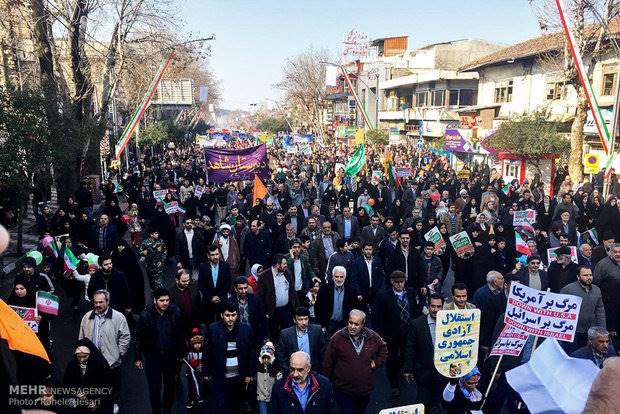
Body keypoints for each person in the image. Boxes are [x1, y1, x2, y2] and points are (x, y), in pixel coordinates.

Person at [323, 310, 388, 414]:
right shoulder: (337, 338)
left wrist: (377, 363)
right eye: (350, 322)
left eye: (356, 324)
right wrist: (328, 383)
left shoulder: (372, 336)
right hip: (343, 390)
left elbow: (383, 349)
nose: (352, 326)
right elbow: (328, 362)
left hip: (364, 390)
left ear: (363, 325)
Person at [134, 288, 186, 414]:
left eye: (167, 300)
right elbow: (138, 337)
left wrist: (182, 353)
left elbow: (180, 334)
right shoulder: (146, 315)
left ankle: (167, 409)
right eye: (161, 300)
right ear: (155, 301)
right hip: (153, 356)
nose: (165, 303)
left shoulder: (175, 312)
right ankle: (156, 411)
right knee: (154, 387)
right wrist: (137, 357)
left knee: (169, 386)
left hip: (170, 355)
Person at [78, 289, 130, 412]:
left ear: (107, 301)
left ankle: (113, 403)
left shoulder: (118, 317)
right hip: (92, 360)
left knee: (113, 384)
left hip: (112, 361)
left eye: (101, 302)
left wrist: (119, 354)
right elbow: (81, 336)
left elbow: (125, 337)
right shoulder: (87, 317)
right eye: (95, 302)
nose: (98, 305)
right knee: (94, 383)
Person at [203, 300, 255, 414]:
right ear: (222, 315)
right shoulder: (213, 330)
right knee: (222, 407)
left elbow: (251, 353)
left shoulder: (245, 330)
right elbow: (207, 352)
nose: (230, 318)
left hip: (239, 377)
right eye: (227, 315)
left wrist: (250, 374)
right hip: (220, 376)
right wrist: (206, 373)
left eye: (233, 315)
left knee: (237, 406)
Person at [372, 270, 420, 395]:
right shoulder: (384, 296)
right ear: (392, 282)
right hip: (391, 333)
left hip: (408, 331)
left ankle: (402, 370)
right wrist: (380, 335)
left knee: (406, 354)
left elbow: (414, 310)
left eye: (401, 282)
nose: (399, 285)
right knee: (391, 358)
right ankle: (393, 383)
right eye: (396, 282)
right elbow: (378, 318)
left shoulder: (410, 292)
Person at [402, 294, 447, 411]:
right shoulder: (416, 324)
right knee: (423, 403)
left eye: (439, 306)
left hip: (443, 372)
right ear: (428, 305)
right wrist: (408, 368)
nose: (435, 310)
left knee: (438, 401)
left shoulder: (449, 325)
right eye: (433, 306)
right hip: (423, 371)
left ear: (443, 307)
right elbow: (410, 348)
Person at [269, 351, 338, 414]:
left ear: (308, 368)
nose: (295, 374)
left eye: (300, 370)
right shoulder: (279, 387)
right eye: (292, 369)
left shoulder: (324, 384)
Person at [560, 266, 606, 353]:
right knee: (573, 355)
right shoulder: (568, 289)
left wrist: (602, 330)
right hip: (573, 331)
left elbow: (600, 311)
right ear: (578, 277)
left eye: (590, 275)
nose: (589, 277)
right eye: (585, 275)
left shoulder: (596, 290)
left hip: (590, 331)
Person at [62, 338, 114, 414]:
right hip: (79, 405)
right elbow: (66, 385)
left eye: (85, 356)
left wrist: (97, 403)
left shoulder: (101, 365)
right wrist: (75, 393)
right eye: (79, 357)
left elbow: (108, 389)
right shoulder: (72, 365)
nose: (82, 360)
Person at [258, 254, 300, 342]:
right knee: (274, 334)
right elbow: (261, 297)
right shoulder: (264, 276)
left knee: (288, 333)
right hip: (272, 311)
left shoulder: (287, 273)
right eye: (284, 264)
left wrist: (296, 308)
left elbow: (293, 292)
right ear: (277, 265)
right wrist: (265, 312)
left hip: (286, 309)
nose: (286, 265)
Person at [276, 307, 325, 373]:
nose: (304, 322)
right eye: (300, 319)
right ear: (294, 320)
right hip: (294, 373)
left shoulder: (317, 330)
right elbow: (281, 356)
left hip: (313, 372)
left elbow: (322, 353)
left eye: (306, 319)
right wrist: (290, 372)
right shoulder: (285, 334)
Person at [314, 266, 358, 338]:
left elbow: (355, 310)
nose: (339, 279)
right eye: (336, 276)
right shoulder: (324, 289)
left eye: (341, 277)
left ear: (345, 277)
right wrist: (321, 325)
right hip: (329, 324)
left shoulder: (352, 291)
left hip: (345, 325)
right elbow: (318, 308)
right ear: (332, 277)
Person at [473, 271, 506, 359]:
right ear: (495, 282)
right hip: (486, 339)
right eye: (502, 278)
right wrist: (484, 343)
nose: (503, 280)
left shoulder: (501, 292)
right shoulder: (481, 295)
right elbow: (482, 321)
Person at [198, 244, 232, 323]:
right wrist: (211, 298)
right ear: (208, 256)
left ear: (220, 254)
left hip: (222, 300)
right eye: (212, 255)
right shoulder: (203, 267)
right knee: (209, 323)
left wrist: (219, 296)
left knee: (223, 323)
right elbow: (201, 285)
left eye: (217, 254)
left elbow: (228, 283)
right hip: (208, 301)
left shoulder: (225, 266)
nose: (215, 257)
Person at [229, 276, 267, 344]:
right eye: (240, 288)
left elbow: (262, 319)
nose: (244, 291)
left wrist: (265, 337)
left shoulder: (256, 300)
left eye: (245, 288)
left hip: (254, 336)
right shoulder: (230, 301)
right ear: (235, 289)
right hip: (236, 336)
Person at [349, 242, 385, 313]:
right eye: (366, 249)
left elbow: (380, 277)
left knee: (375, 313)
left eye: (370, 249)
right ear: (362, 250)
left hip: (374, 292)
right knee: (362, 314)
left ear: (372, 250)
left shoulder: (377, 260)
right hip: (362, 293)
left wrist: (379, 290)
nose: (368, 251)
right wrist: (358, 293)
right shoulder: (357, 262)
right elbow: (354, 279)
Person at [593, 243, 620, 337]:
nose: (618, 254)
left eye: (619, 252)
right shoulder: (602, 265)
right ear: (610, 252)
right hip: (608, 305)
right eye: (615, 252)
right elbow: (595, 283)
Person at [168, 268, 202, 333]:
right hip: (180, 325)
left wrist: (199, 323)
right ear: (177, 280)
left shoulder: (194, 287)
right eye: (183, 281)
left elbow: (199, 305)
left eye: (188, 280)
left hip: (194, 323)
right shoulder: (170, 293)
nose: (187, 283)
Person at [285, 238, 315, 303]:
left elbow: (310, 270)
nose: (297, 249)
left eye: (299, 247)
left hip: (301, 289)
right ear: (290, 249)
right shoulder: (285, 258)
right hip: (290, 290)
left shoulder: (303, 258)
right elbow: (285, 270)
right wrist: (292, 258)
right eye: (294, 247)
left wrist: (314, 277)